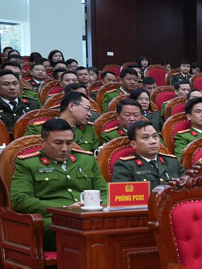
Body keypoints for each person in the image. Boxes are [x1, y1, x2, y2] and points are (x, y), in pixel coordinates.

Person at [10, 119, 107, 250]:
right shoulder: (27, 163)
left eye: (69, 143)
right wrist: (64, 208)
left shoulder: (87, 160)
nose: (64, 149)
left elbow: (104, 193)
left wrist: (98, 206)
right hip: (53, 220)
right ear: (43, 143)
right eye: (58, 143)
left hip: (90, 217)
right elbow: (20, 200)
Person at [112, 121, 183, 187]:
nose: (153, 141)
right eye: (145, 138)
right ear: (133, 144)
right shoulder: (124, 166)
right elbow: (124, 197)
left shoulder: (172, 161)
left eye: (155, 136)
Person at [26, 91, 99, 151]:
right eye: (87, 109)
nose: (90, 114)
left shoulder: (89, 129)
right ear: (71, 106)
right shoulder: (38, 128)